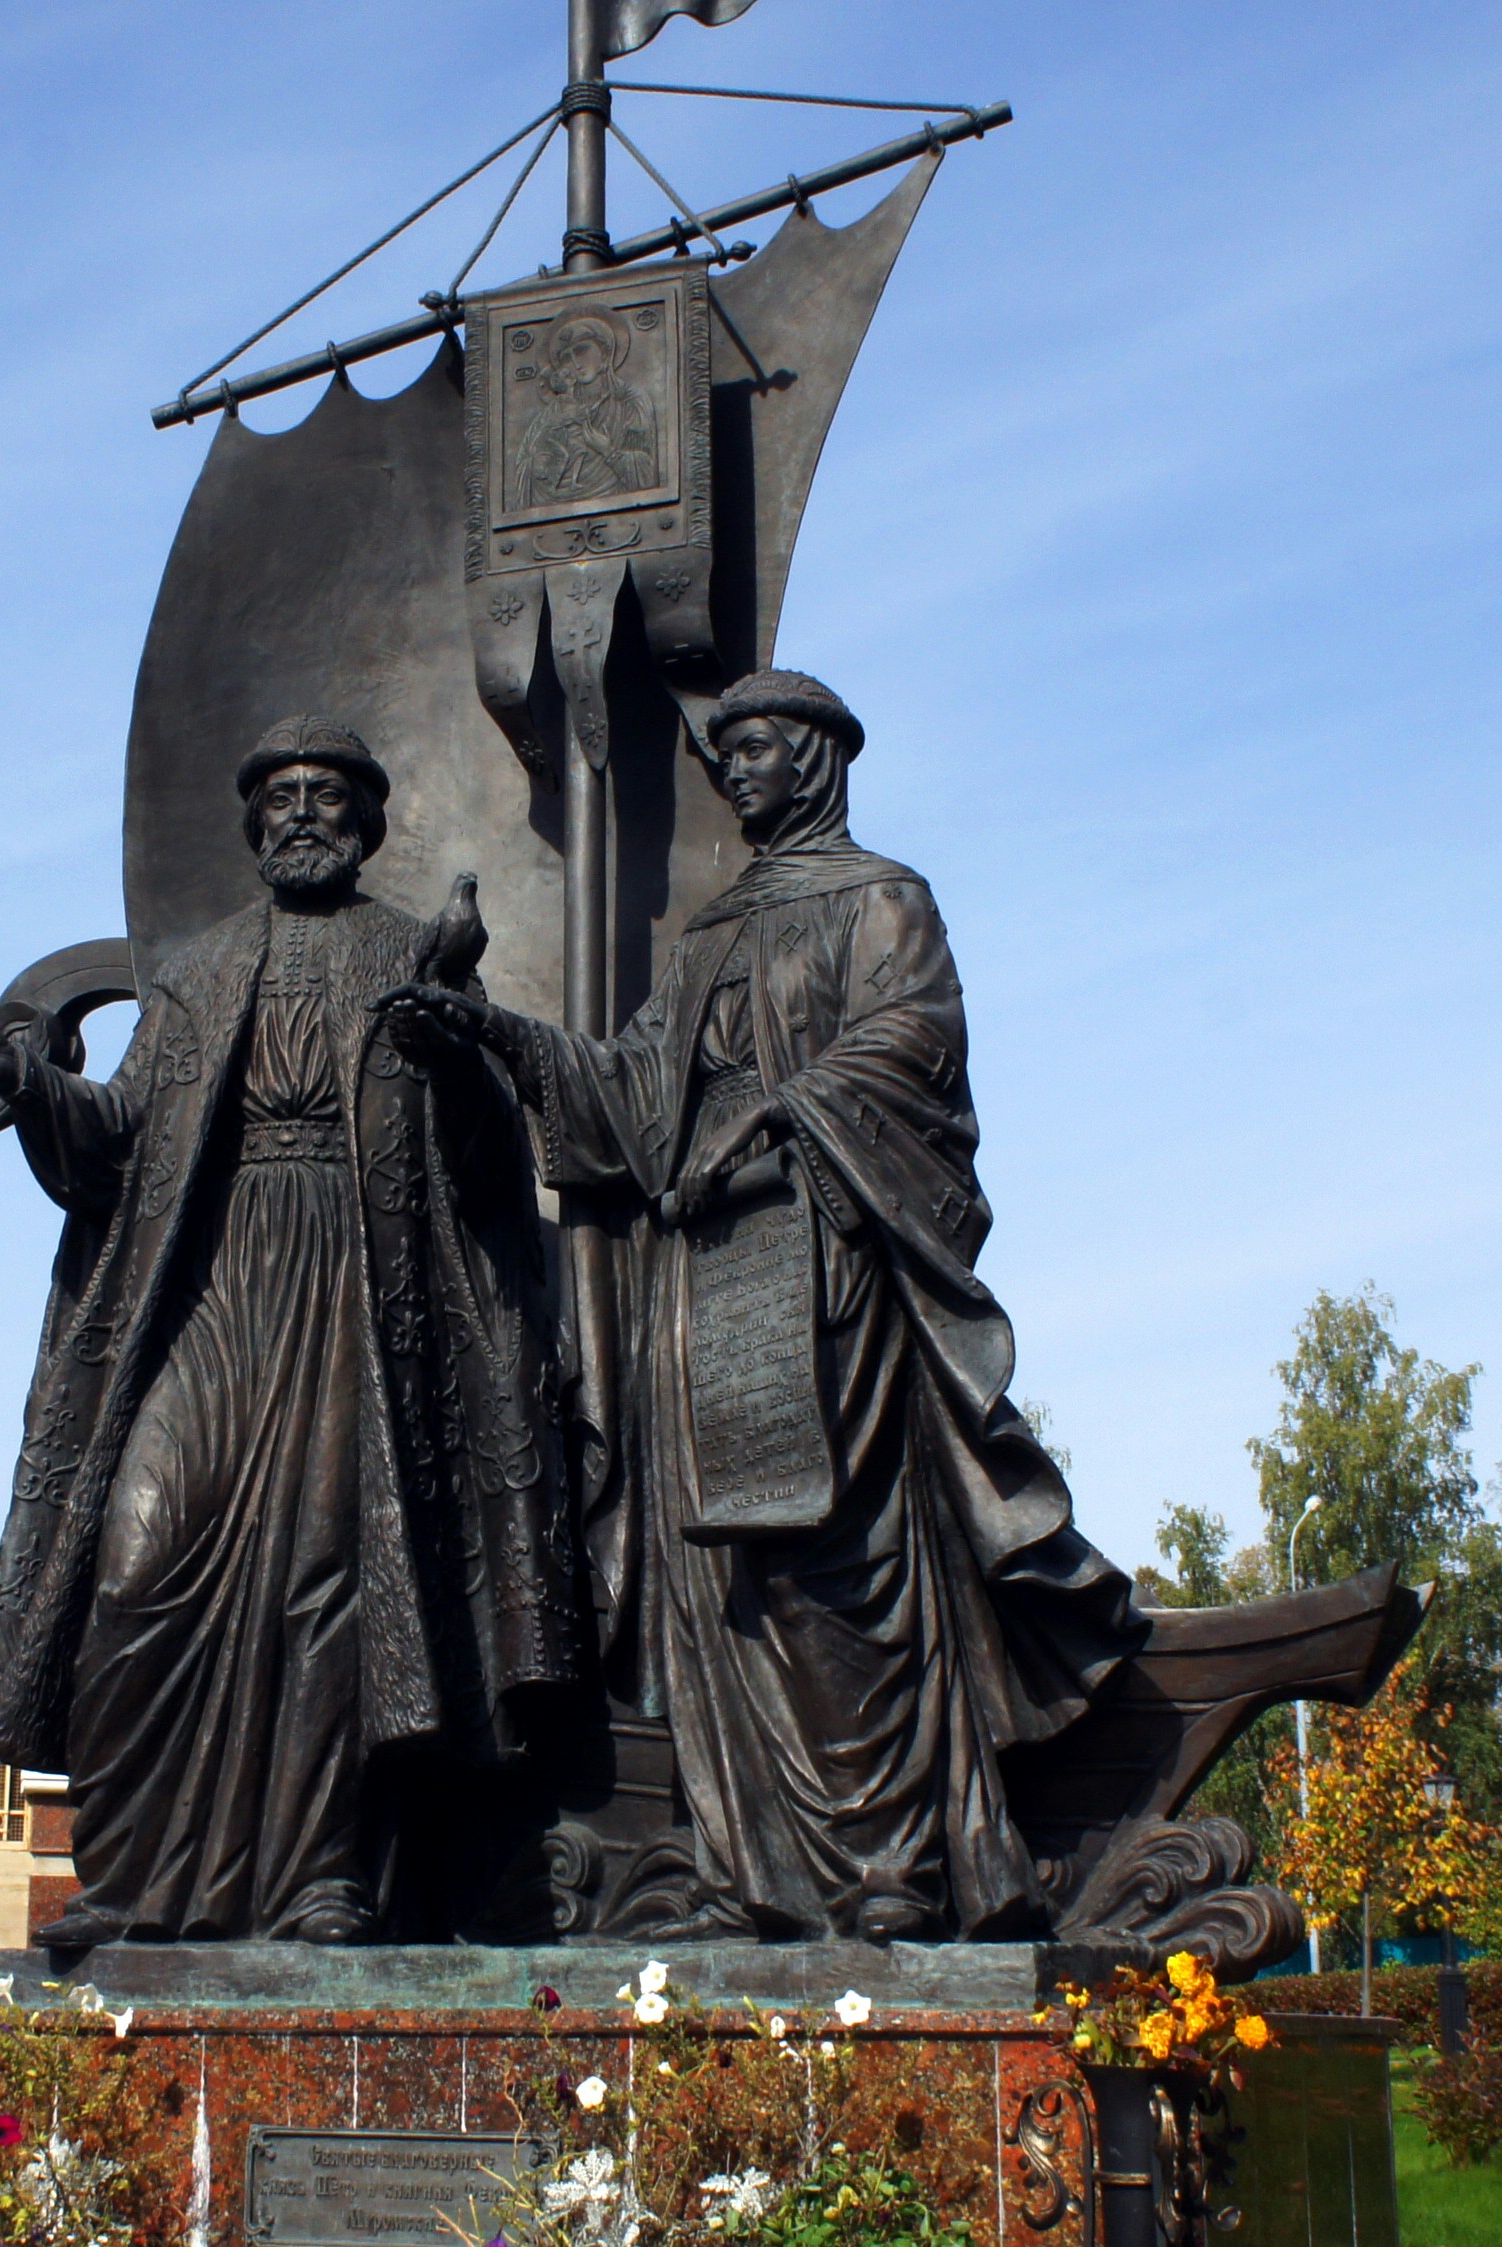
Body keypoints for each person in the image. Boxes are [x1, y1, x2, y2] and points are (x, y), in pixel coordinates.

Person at [384, 669, 1140, 1941]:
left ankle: (895, 1861)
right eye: (725, 748)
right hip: (706, 1287)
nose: (735, 768)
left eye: (760, 746)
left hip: (822, 1263)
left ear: (821, 756)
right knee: (727, 1574)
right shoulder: (714, 931)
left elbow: (912, 1047)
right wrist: (491, 1032)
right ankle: (756, 1869)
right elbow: (627, 1094)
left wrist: (783, 1109)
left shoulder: (881, 900)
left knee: (833, 1564)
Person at [0, 723, 587, 1949]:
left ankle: (322, 1874)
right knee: (137, 1553)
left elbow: (494, 1158)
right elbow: (115, 1134)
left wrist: (447, 1020)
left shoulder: (406, 952)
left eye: (325, 795)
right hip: (218, 1289)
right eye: (277, 795)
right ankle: (126, 1875)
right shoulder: (196, 970)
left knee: (329, 1579)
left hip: (357, 1297)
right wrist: (20, 1078)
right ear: (248, 825)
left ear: (366, 822)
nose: (299, 814)